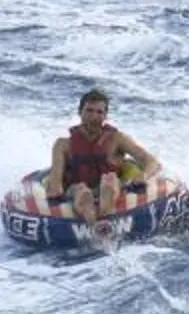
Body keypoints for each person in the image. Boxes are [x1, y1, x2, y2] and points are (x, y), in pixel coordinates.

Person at [45, 87, 159, 221]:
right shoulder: (63, 145)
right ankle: (95, 225)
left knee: (109, 180)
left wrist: (143, 175)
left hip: (110, 188)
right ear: (79, 112)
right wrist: (54, 191)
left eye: (99, 112)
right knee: (81, 190)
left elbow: (152, 161)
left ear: (105, 116)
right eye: (89, 111)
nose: (94, 117)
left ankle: (106, 220)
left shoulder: (117, 139)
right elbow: (56, 179)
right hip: (76, 189)